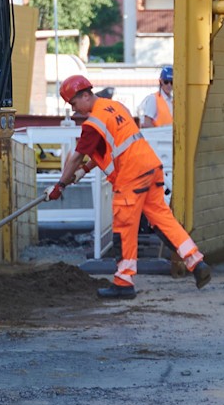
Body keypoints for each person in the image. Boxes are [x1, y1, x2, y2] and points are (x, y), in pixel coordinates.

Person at [51, 73, 208, 299]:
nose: (76, 111)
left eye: (74, 104)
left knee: (124, 227)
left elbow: (76, 157)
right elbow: (110, 146)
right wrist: (84, 171)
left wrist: (60, 186)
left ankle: (124, 282)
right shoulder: (115, 107)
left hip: (131, 174)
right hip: (151, 167)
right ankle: (196, 261)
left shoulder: (92, 123)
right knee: (163, 219)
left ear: (85, 95)